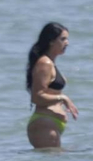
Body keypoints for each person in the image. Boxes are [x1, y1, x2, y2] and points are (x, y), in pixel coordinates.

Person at [26, 22, 79, 150]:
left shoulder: (50, 62)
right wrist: (63, 98)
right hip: (44, 123)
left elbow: (49, 92)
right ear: (51, 41)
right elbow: (36, 96)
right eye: (63, 39)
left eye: (67, 39)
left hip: (51, 123)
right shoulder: (45, 63)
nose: (67, 43)